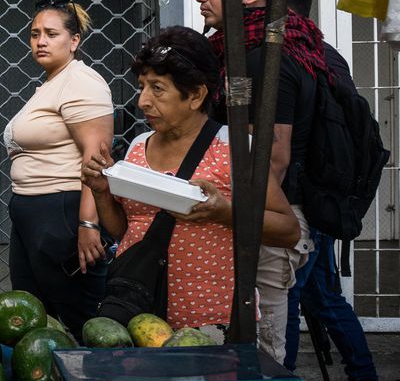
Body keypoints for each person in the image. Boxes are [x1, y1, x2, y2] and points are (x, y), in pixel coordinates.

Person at [81, 27, 300, 333]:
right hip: (142, 316)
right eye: (142, 86)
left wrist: (224, 211)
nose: (143, 100)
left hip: (209, 320)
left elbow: (289, 231)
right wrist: (103, 193)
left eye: (157, 88)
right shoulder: (137, 147)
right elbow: (126, 231)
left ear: (196, 95)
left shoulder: (234, 148)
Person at [194, 0, 320, 362]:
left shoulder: (264, 57)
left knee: (261, 355)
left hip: (265, 223)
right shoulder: (248, 50)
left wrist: (232, 215)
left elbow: (274, 157)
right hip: (253, 217)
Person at [282, 0, 378, 381]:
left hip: (305, 198)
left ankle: (281, 377)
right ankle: (363, 375)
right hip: (320, 197)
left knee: (288, 293)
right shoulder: (326, 55)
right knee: (319, 295)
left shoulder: (300, 56)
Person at [3, 0, 112, 337]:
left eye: (52, 34)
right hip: (30, 213)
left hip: (63, 211)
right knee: (34, 320)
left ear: (74, 40)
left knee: (82, 319)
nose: (41, 41)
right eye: (35, 34)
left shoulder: (81, 82)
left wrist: (87, 223)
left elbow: (97, 162)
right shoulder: (51, 84)